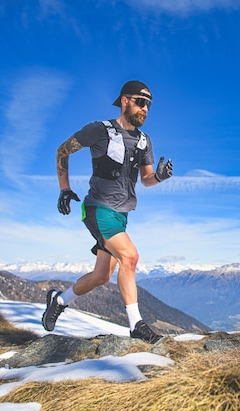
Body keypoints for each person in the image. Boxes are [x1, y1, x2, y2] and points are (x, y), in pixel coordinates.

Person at [42, 80, 172, 344]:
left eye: (149, 104)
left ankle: (59, 300)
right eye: (140, 102)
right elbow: (62, 151)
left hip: (120, 215)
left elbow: (146, 179)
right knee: (130, 257)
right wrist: (64, 189)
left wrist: (159, 177)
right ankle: (137, 325)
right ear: (124, 101)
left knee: (101, 276)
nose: (145, 108)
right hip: (98, 208)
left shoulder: (144, 141)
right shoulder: (100, 130)